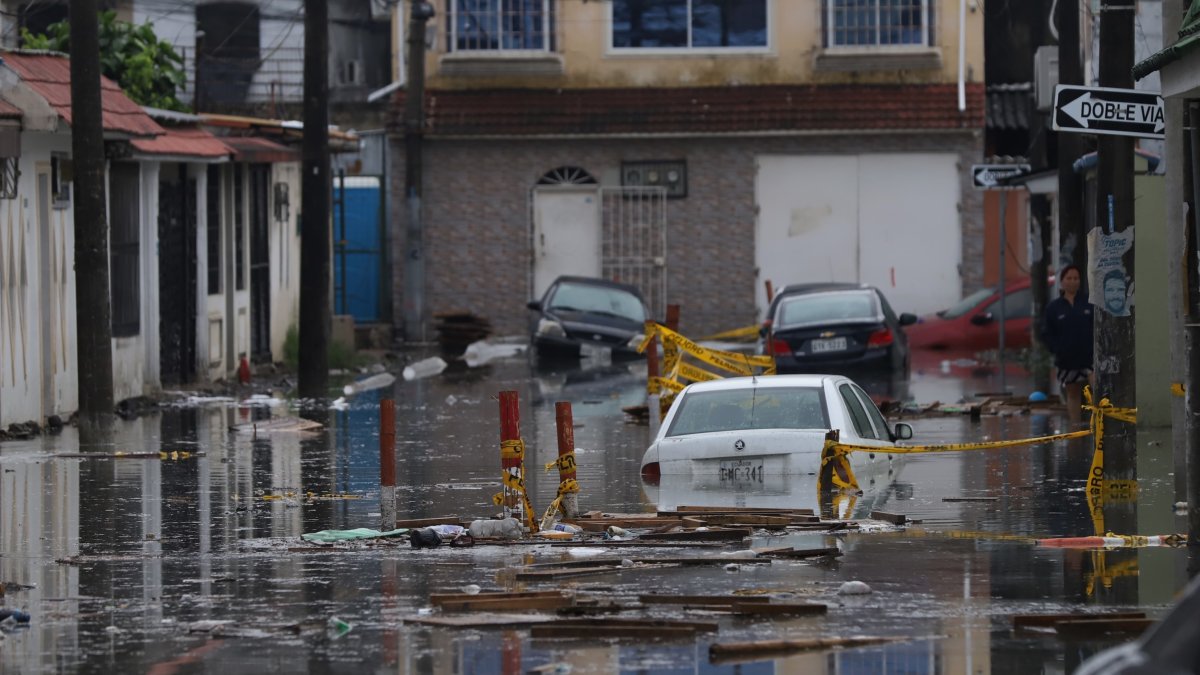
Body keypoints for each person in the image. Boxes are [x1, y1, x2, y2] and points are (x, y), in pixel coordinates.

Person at [1042, 265, 1093, 424]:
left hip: (1090, 357)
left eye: (1076, 278)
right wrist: (1057, 350)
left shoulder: (1088, 302)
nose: (1072, 282)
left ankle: (1098, 424)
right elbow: (1047, 334)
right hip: (1067, 359)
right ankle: (1075, 426)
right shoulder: (1054, 308)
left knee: (1098, 390)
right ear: (1062, 282)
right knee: (1073, 393)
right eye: (1069, 278)